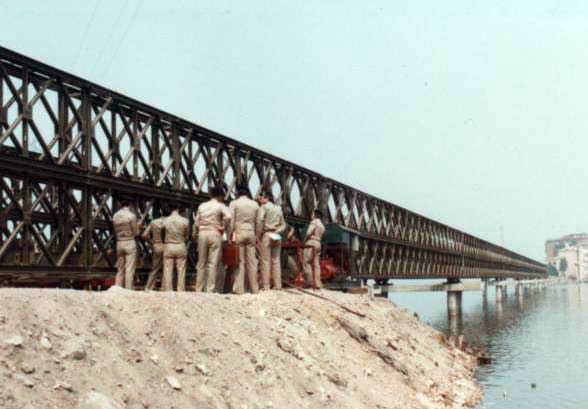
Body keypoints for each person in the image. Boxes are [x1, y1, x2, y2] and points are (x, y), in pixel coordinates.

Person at [193, 186, 231, 292]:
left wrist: (196, 233)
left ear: (210, 195)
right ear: (220, 196)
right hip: (215, 233)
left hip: (202, 233)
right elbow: (228, 216)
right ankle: (210, 289)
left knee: (201, 263)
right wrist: (223, 226)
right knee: (212, 262)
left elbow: (196, 223)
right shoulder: (221, 206)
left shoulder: (202, 206)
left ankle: (198, 288)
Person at [229, 185, 260, 294]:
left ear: (238, 193)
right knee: (252, 262)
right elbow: (259, 222)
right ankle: (254, 289)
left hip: (239, 232)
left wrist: (229, 235)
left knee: (240, 262)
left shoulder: (234, 203)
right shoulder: (255, 204)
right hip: (251, 232)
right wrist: (258, 235)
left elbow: (231, 220)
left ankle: (239, 289)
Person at [256, 190, 286, 290]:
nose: (259, 199)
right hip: (276, 235)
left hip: (267, 234)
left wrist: (258, 235)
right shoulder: (278, 208)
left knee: (265, 261)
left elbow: (260, 221)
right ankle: (278, 285)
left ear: (266, 198)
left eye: (261, 197)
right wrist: (277, 231)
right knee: (276, 261)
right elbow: (283, 224)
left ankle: (266, 285)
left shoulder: (263, 207)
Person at [162, 203, 190, 291]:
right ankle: (181, 291)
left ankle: (168, 290)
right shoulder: (185, 221)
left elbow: (162, 234)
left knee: (167, 270)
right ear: (179, 209)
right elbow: (187, 235)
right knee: (181, 271)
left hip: (169, 245)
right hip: (181, 245)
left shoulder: (165, 220)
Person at [112, 199, 139, 289]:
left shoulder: (115, 216)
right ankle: (128, 289)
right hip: (129, 242)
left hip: (119, 243)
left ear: (120, 204)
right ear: (130, 204)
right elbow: (136, 233)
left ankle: (118, 288)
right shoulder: (131, 216)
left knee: (120, 268)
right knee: (129, 269)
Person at [142, 204, 166, 291]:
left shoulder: (154, 222)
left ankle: (148, 287)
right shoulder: (170, 222)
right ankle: (164, 288)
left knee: (154, 268)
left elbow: (144, 235)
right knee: (167, 269)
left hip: (157, 245)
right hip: (168, 246)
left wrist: (152, 243)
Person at [303, 209, 326, 289]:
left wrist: (304, 240)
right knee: (316, 264)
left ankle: (309, 282)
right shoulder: (322, 225)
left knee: (306, 262)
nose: (311, 215)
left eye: (312, 214)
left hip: (311, 242)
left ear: (315, 215)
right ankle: (317, 283)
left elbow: (308, 232)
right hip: (318, 243)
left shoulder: (314, 222)